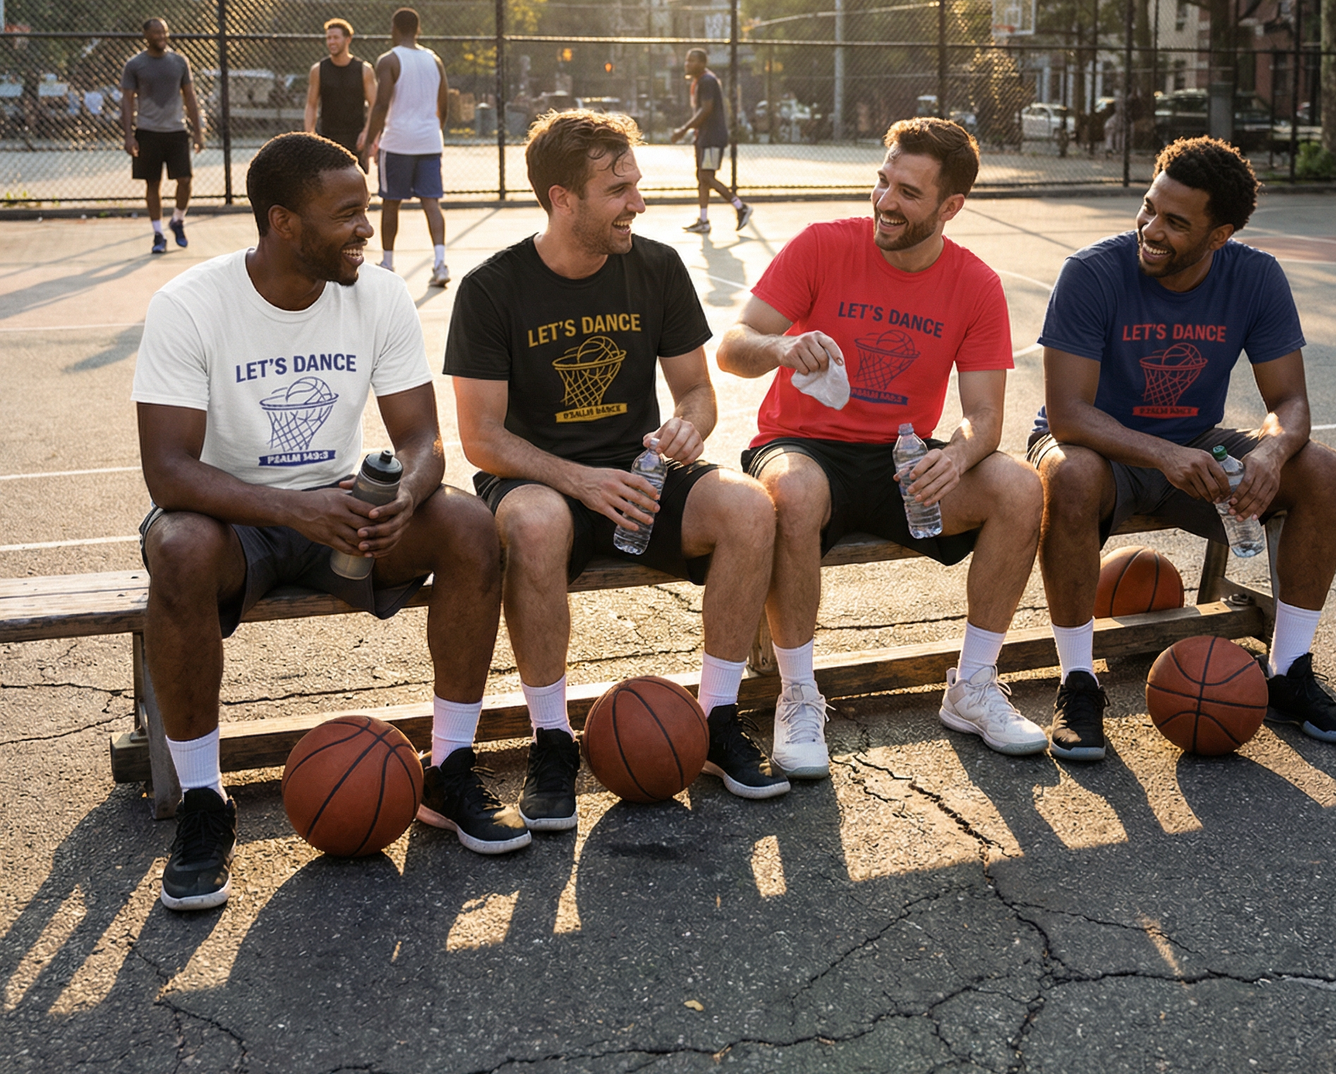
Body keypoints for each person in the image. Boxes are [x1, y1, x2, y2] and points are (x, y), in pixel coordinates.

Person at [132, 133, 526, 914]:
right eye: (346, 213)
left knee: (469, 525)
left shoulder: (377, 294)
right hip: (236, 519)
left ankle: (448, 768)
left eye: (367, 208)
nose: (365, 227)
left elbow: (422, 440)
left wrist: (404, 495)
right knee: (177, 544)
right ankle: (206, 800)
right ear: (284, 221)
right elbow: (168, 472)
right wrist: (294, 507)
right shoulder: (191, 304)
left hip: (344, 512)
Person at [446, 109, 787, 831]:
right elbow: (480, 438)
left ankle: (716, 718)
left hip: (637, 475)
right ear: (562, 199)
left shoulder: (657, 266)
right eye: (617, 189)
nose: (638, 201)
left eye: (635, 183)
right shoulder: (491, 288)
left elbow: (697, 391)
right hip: (538, 480)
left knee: (749, 505)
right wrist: (579, 480)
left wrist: (689, 425)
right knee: (536, 524)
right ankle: (550, 740)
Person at [716, 117, 1048, 777]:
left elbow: (984, 416)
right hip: (802, 445)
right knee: (793, 490)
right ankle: (798, 694)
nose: (885, 202)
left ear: (950, 206)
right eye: (883, 181)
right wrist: (780, 345)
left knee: (1017, 485)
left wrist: (956, 454)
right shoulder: (822, 245)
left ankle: (973, 684)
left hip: (901, 457)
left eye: (908, 193)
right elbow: (732, 346)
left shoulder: (975, 284)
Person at [1029, 135, 1336, 762]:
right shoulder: (1092, 272)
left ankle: (1289, 673)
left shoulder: (1254, 276)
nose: (1151, 229)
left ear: (1220, 235)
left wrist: (1270, 453)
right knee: (1070, 476)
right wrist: (1162, 454)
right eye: (1149, 207)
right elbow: (1069, 415)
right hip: (1094, 446)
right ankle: (1077, 682)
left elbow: (1290, 401)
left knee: (1321, 469)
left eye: (1175, 222)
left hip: (1194, 444)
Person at [361, 7, 450, 288]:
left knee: (391, 202)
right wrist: (433, 130)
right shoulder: (435, 60)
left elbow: (381, 104)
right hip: (429, 141)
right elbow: (444, 103)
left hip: (398, 142)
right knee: (431, 203)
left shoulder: (389, 60)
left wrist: (368, 144)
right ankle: (440, 263)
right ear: (418, 29)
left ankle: (388, 263)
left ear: (394, 29)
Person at [121, 18, 204, 255]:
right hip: (147, 131)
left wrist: (198, 131)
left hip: (176, 130)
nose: (161, 36)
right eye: (156, 32)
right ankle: (158, 234)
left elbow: (190, 97)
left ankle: (178, 220)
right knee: (153, 183)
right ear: (146, 35)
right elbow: (127, 101)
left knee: (185, 180)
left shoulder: (179, 61)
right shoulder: (135, 65)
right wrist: (129, 135)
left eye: (164, 32)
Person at [671, 48, 751, 234]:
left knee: (706, 177)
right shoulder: (701, 81)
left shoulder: (707, 81)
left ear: (702, 63)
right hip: (705, 137)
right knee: (702, 177)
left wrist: (683, 129)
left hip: (712, 138)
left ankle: (741, 207)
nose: (687, 64)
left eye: (692, 60)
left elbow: (706, 109)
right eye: (687, 60)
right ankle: (704, 221)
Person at [304, 17, 377, 173]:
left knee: (356, 183)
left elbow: (374, 104)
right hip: (327, 139)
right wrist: (310, 135)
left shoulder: (364, 70)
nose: (331, 42)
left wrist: (367, 133)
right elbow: (311, 105)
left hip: (356, 140)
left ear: (348, 39)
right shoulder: (318, 70)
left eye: (336, 37)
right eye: (328, 38)